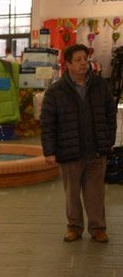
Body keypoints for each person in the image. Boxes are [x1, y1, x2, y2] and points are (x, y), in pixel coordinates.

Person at [41, 43, 116, 243]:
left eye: (85, 59)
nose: (83, 63)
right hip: (69, 151)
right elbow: (47, 123)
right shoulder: (56, 91)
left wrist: (109, 140)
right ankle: (74, 227)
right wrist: (49, 151)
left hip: (96, 150)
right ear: (68, 64)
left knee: (96, 193)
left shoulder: (100, 85)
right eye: (78, 60)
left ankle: (98, 228)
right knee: (72, 194)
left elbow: (110, 114)